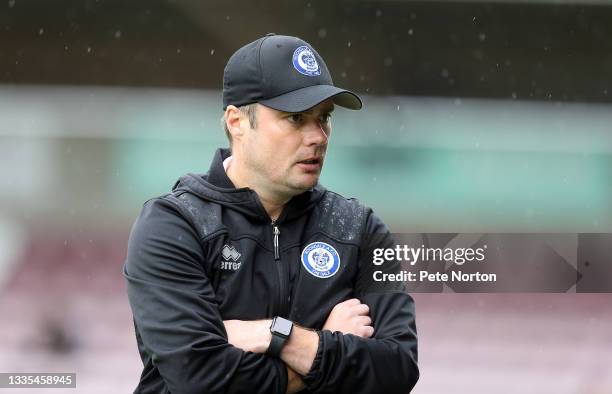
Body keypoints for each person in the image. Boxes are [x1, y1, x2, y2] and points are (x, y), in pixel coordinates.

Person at [123, 33, 419, 394]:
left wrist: (283, 338)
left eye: (324, 117)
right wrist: (326, 346)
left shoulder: (358, 228)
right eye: (295, 118)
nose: (318, 136)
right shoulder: (173, 224)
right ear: (236, 122)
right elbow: (200, 380)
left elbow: (397, 370)